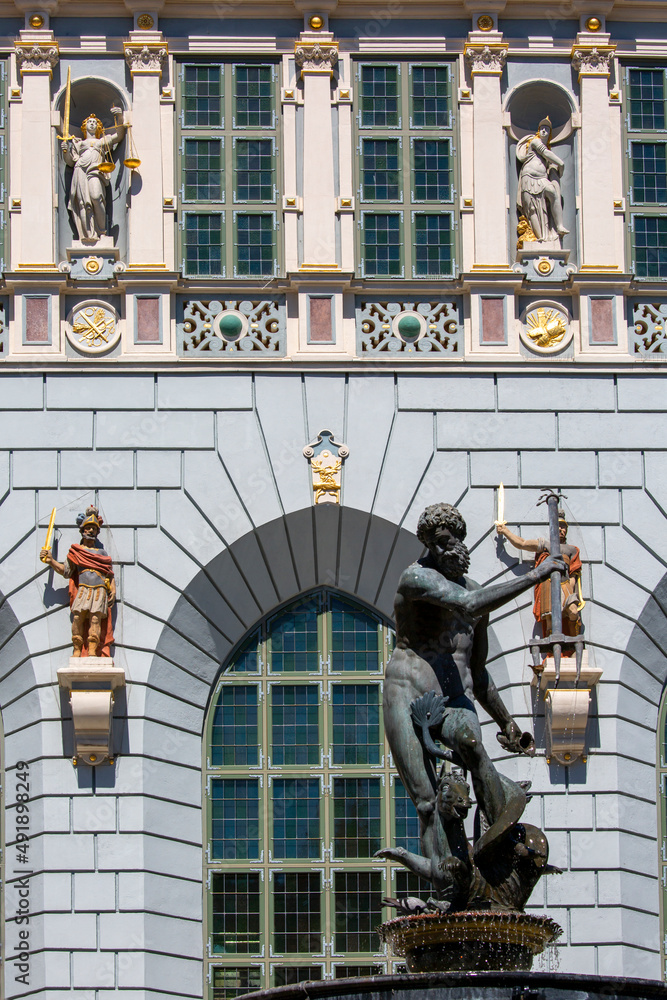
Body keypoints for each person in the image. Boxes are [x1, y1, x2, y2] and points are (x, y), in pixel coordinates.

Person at [382, 502, 565, 864]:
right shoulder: (416, 579)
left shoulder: (477, 594)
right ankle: (449, 880)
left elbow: (477, 674)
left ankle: (497, 849)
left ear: (461, 539)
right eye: (436, 542)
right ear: (426, 543)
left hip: (453, 700)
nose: (443, 548)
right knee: (427, 801)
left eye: (449, 540)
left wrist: (506, 722)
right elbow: (467, 604)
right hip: (406, 693)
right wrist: (536, 576)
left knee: (472, 746)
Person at [41, 505, 115, 657]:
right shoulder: (76, 552)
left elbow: (109, 574)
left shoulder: (102, 553)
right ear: (82, 531)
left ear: (97, 532)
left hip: (99, 589)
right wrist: (51, 561)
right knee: (77, 618)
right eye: (88, 528)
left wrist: (113, 589)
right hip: (83, 589)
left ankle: (92, 650)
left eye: (94, 528)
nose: (91, 531)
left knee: (95, 619)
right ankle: (77, 648)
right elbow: (66, 571)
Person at [496, 510, 582, 638]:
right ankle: (552, 647)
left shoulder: (572, 550)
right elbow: (522, 543)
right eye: (558, 526)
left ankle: (575, 642)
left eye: (563, 527)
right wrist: (505, 531)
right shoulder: (545, 545)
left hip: (565, 584)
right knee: (550, 621)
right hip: (548, 584)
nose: (561, 529)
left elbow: (574, 574)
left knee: (573, 611)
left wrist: (570, 589)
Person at [61, 111, 126, 241]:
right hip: (80, 170)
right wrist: (65, 151)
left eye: (94, 122)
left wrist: (119, 117)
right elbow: (70, 162)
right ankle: (86, 235)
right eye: (89, 122)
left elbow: (119, 135)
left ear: (99, 127)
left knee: (96, 197)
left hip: (95, 171)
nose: (92, 123)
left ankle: (101, 231)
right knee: (82, 203)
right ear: (84, 126)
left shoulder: (102, 141)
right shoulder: (79, 143)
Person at [516, 115, 569, 243]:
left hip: (542, 179)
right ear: (538, 131)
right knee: (532, 209)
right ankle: (541, 238)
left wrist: (557, 169)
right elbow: (545, 153)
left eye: (547, 129)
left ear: (550, 133)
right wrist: (560, 163)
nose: (544, 131)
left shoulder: (548, 151)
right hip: (529, 178)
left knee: (553, 194)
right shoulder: (535, 142)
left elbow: (550, 164)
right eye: (542, 128)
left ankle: (559, 226)